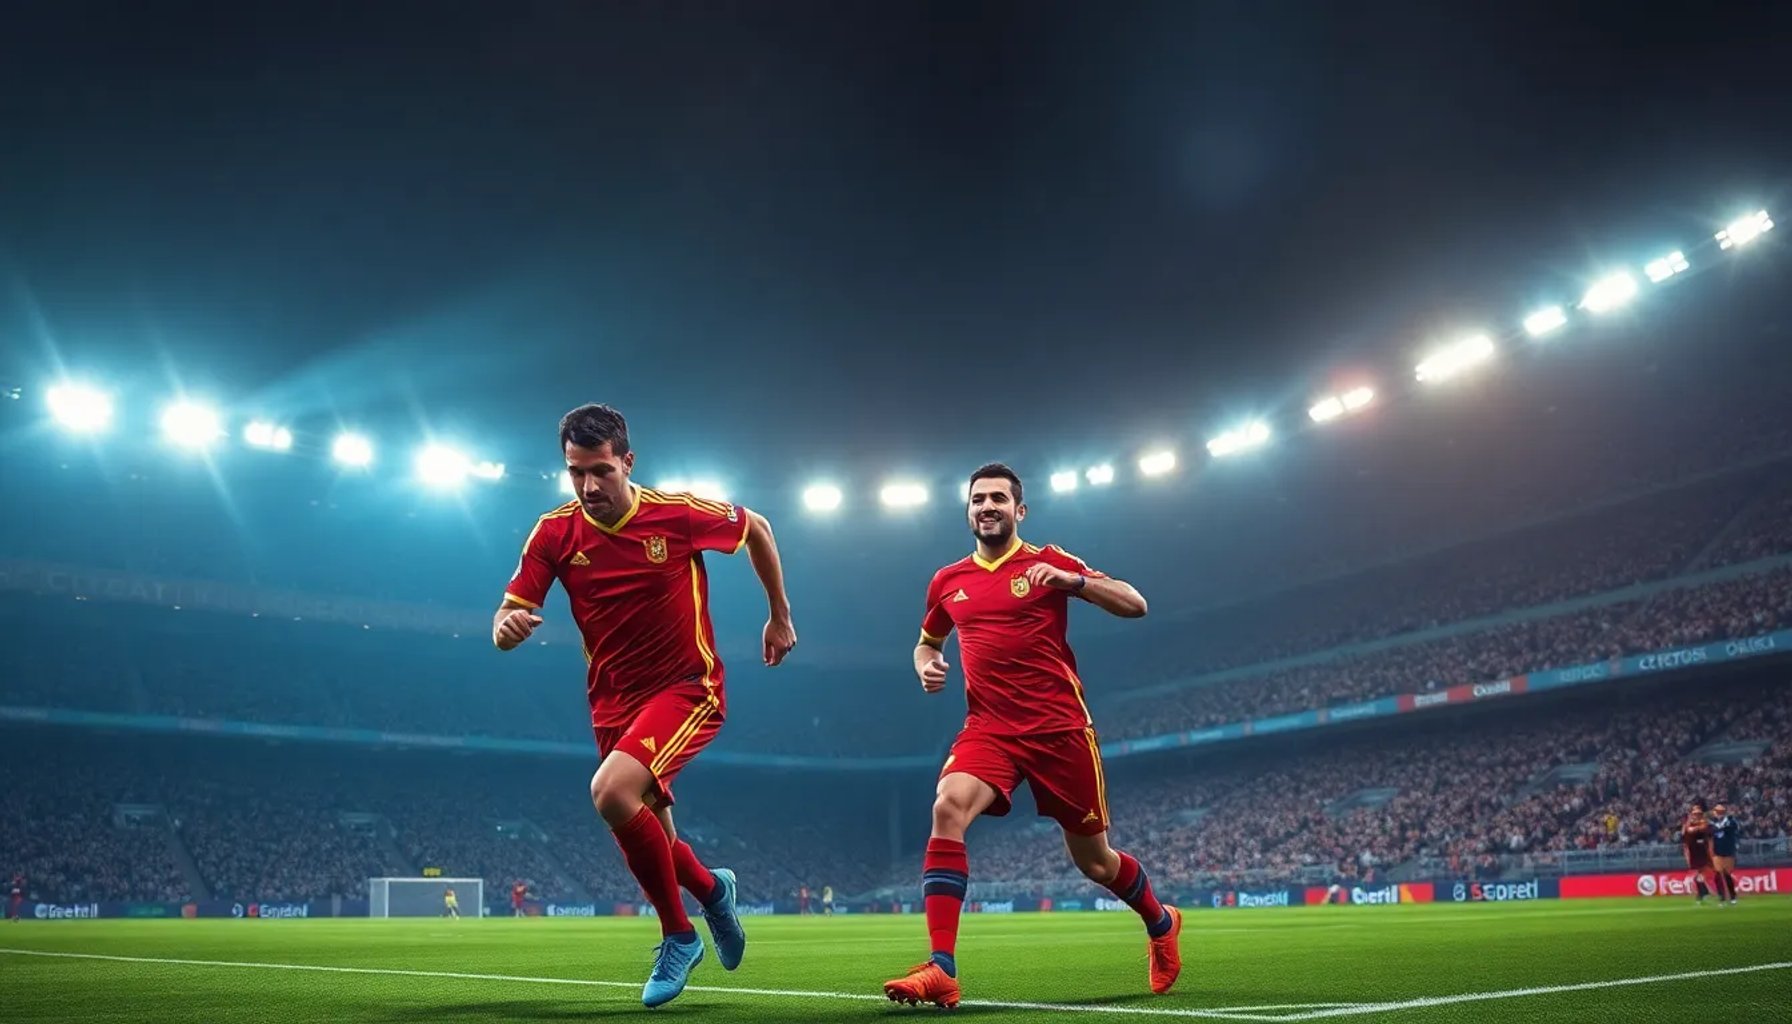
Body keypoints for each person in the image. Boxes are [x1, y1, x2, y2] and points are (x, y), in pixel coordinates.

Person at [493, 403, 797, 1008]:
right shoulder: (554, 532)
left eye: (601, 470)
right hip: (611, 705)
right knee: (649, 831)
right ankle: (714, 891)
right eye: (575, 472)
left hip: (687, 686)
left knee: (610, 794)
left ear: (627, 463)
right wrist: (506, 626)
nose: (587, 486)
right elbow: (509, 607)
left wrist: (779, 617)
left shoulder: (677, 514)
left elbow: (757, 527)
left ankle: (679, 935)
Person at [882, 463, 1181, 1010]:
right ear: (968, 511)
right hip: (989, 729)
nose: (987, 506)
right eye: (978, 499)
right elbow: (926, 642)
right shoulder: (948, 580)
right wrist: (925, 663)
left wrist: (1075, 583)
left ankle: (1161, 923)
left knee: (1095, 863)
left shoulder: (1049, 561)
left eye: (998, 498)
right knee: (947, 807)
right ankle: (941, 968)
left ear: (1019, 510)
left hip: (1060, 730)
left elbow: (1135, 604)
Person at [1680, 805, 1716, 906]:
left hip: (1701, 851)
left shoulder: (1703, 824)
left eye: (1697, 814)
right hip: (1695, 852)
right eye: (1694, 814)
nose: (1696, 816)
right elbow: (1685, 834)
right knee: (1700, 875)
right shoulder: (1690, 825)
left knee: (1701, 874)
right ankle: (1703, 894)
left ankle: (1703, 894)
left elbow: (1705, 831)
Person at [1709, 803, 1740, 905]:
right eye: (1717, 812)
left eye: (1720, 812)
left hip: (1728, 852)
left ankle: (1732, 896)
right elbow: (1710, 832)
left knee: (1727, 875)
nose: (1719, 814)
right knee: (1718, 875)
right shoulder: (1713, 824)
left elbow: (1732, 829)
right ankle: (1722, 897)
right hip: (1717, 852)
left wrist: (1718, 829)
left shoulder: (1730, 821)